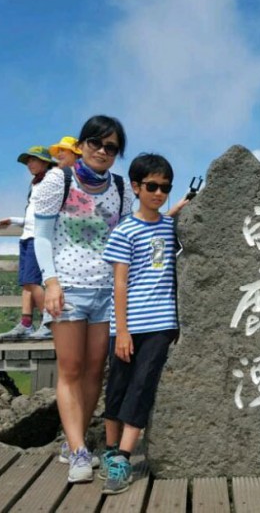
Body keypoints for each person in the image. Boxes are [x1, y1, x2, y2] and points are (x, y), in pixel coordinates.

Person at [32, 115, 132, 484]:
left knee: (94, 371)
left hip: (107, 291)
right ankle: (77, 451)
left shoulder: (121, 188)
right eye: (96, 143)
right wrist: (51, 282)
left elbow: (125, 240)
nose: (102, 152)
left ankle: (74, 441)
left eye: (111, 147)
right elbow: (40, 237)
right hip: (69, 288)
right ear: (82, 144)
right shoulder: (59, 179)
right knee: (70, 369)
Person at [100, 153, 180, 495]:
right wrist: (122, 330)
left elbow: (169, 221)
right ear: (135, 186)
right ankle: (109, 449)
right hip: (128, 325)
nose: (159, 193)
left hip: (162, 324)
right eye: (151, 186)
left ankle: (123, 456)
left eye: (165, 187)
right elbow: (119, 283)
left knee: (142, 387)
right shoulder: (125, 231)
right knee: (117, 387)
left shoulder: (169, 226)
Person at [0, 146, 58, 341]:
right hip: (27, 236)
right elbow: (32, 215)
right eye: (28, 161)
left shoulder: (51, 182)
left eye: (34, 160)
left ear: (46, 162)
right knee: (26, 283)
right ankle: (26, 324)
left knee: (32, 281)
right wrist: (14, 220)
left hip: (38, 237)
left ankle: (50, 322)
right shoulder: (36, 184)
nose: (30, 164)